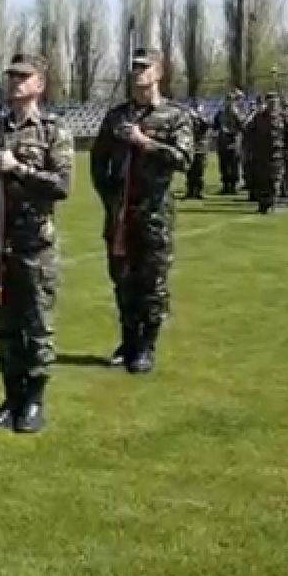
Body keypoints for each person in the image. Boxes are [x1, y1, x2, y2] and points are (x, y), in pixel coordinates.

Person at [0, 53, 74, 432]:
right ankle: (11, 395)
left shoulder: (53, 130)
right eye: (12, 76)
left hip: (34, 243)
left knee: (36, 323)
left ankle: (34, 400)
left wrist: (18, 168)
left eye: (24, 77)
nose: (16, 82)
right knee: (2, 325)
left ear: (39, 84)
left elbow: (62, 185)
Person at [90, 48, 193, 373]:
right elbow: (98, 160)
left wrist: (144, 142)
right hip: (121, 214)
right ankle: (127, 340)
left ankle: (146, 346)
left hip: (154, 214)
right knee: (122, 280)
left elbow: (185, 159)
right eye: (134, 67)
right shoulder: (117, 116)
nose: (138, 73)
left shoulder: (175, 116)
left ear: (159, 73)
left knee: (152, 283)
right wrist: (108, 195)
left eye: (144, 68)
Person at [247, 92, 288, 214]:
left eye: (275, 101)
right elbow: (250, 134)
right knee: (262, 180)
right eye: (270, 102)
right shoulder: (258, 117)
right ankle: (263, 204)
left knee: (275, 180)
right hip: (261, 153)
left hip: (277, 153)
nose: (272, 104)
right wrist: (249, 150)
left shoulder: (283, 117)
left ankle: (272, 202)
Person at [214, 91, 245, 195]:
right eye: (227, 100)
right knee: (223, 164)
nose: (228, 102)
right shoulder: (220, 113)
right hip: (222, 140)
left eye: (231, 100)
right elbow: (215, 125)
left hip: (233, 139)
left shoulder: (237, 112)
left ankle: (233, 186)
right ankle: (226, 185)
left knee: (234, 164)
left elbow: (242, 125)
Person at [184, 99, 210, 199]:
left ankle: (198, 192)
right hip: (190, 147)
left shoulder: (204, 117)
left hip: (201, 148)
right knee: (190, 172)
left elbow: (206, 126)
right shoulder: (188, 118)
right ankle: (190, 191)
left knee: (199, 172)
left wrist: (199, 116)